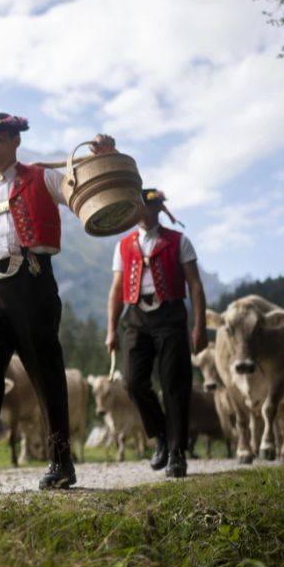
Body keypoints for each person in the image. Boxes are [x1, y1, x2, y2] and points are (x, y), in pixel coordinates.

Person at [0, 113, 115, 492]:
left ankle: (61, 461)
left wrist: (101, 159)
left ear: (15, 141)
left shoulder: (45, 178)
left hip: (31, 284)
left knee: (45, 375)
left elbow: (83, 192)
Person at [105, 188, 207, 478]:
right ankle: (161, 436)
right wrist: (112, 329)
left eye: (151, 208)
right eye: (140, 208)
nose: (145, 213)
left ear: (160, 210)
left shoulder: (179, 241)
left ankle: (177, 453)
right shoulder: (123, 246)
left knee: (174, 385)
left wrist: (199, 326)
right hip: (135, 316)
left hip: (171, 314)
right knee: (134, 381)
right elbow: (116, 289)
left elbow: (195, 286)